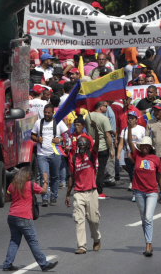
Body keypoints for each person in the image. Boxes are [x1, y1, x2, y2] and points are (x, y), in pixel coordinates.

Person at [2, 168, 58, 272]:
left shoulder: (12, 185)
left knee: (14, 240)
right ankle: (44, 264)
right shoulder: (30, 184)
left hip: (12, 216)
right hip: (24, 217)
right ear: (27, 176)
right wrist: (46, 180)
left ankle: (7, 264)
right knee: (33, 242)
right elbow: (44, 191)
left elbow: (7, 198)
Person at [126, 135, 161, 257]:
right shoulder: (137, 155)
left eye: (146, 146)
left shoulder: (156, 159)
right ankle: (148, 242)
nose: (144, 147)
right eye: (142, 145)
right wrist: (129, 127)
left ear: (150, 147)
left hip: (152, 192)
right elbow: (129, 142)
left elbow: (159, 176)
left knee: (148, 217)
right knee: (144, 219)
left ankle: (148, 244)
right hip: (138, 191)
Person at [65, 126, 101, 254]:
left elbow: (96, 144)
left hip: (91, 191)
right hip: (79, 193)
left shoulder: (92, 154)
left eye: (84, 144)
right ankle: (82, 246)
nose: (81, 146)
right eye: (79, 144)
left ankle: (97, 239)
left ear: (88, 145)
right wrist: (68, 194)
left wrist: (96, 131)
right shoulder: (74, 158)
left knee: (93, 220)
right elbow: (72, 176)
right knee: (79, 219)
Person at [31, 104, 68, 206]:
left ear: (53, 113)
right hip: (42, 154)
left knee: (55, 176)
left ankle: (54, 196)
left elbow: (67, 134)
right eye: (45, 112)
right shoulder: (39, 123)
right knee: (44, 176)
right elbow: (32, 135)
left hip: (55, 153)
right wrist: (37, 139)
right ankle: (44, 197)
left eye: (48, 113)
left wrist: (59, 139)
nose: (46, 114)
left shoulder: (59, 122)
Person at [85, 102, 114, 200]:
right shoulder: (104, 118)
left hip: (90, 146)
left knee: (91, 169)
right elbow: (107, 135)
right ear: (101, 107)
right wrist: (111, 149)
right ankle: (99, 191)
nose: (107, 107)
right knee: (101, 169)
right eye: (106, 106)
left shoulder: (87, 117)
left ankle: (90, 188)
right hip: (102, 147)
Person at [117, 112, 146, 200]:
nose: (130, 120)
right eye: (129, 118)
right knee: (131, 174)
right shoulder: (124, 130)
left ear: (136, 120)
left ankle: (139, 192)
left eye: (132, 118)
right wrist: (118, 153)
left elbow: (145, 142)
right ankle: (135, 192)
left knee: (137, 173)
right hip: (128, 155)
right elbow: (121, 143)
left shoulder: (141, 129)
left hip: (139, 155)